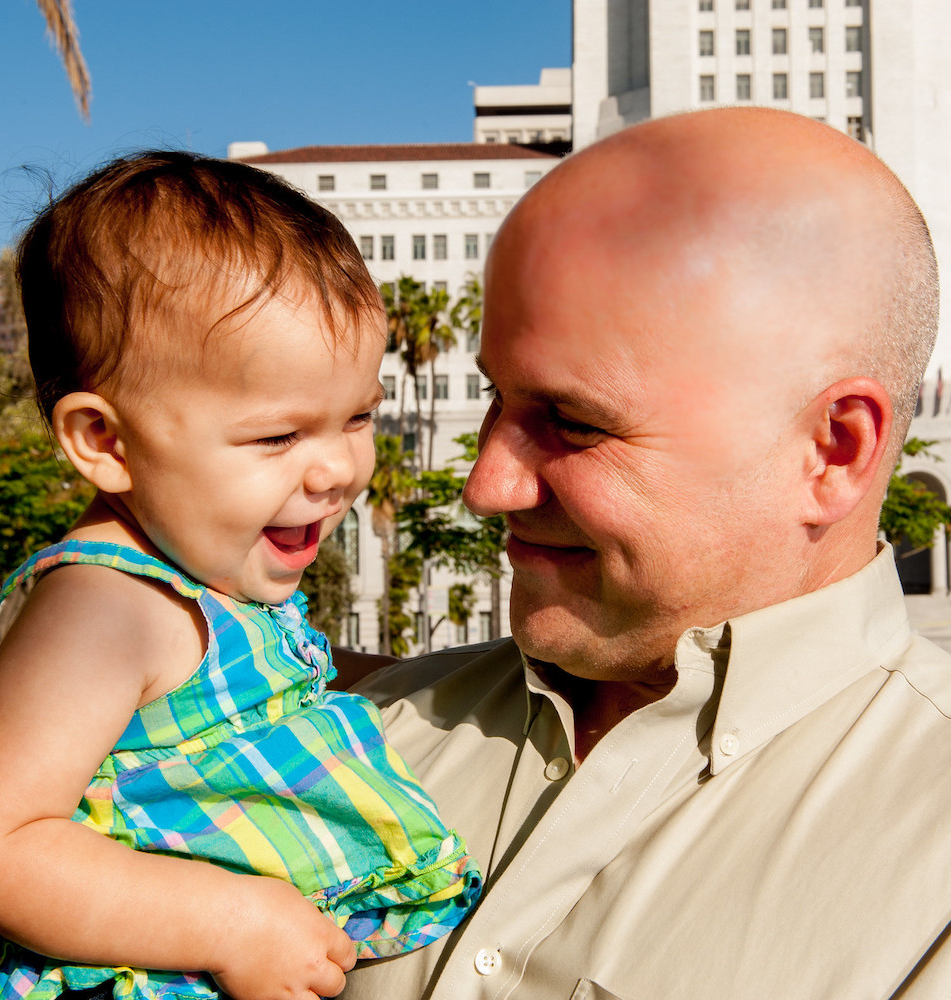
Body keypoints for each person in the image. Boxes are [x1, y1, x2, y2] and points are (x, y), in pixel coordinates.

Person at [339, 107, 951, 999]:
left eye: (575, 424)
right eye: (495, 400)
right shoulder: (366, 738)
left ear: (834, 452)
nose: (487, 486)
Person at [0, 151, 480, 1000]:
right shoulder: (106, 605)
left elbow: (276, 683)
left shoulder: (206, 585)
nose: (337, 469)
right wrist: (228, 922)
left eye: (359, 416)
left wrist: (423, 680)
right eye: (278, 437)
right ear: (105, 442)